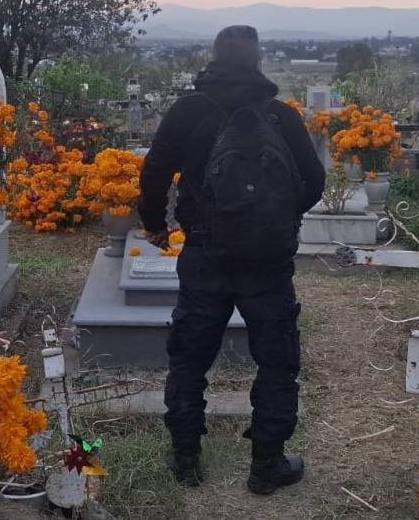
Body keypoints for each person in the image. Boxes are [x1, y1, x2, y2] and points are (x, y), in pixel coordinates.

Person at [139, 25, 326, 495]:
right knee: (277, 362)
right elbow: (314, 181)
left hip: (204, 254)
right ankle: (267, 464)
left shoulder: (188, 111)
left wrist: (155, 223)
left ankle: (185, 458)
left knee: (189, 358)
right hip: (267, 263)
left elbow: (155, 169)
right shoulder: (281, 116)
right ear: (258, 61)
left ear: (214, 58)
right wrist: (276, 220)